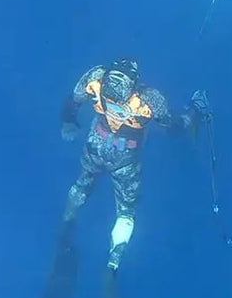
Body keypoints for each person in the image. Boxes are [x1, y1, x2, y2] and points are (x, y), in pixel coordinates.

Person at [57, 57, 211, 275]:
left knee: (82, 184)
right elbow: (174, 127)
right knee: (126, 210)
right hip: (125, 156)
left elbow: (72, 102)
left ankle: (68, 220)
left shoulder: (96, 78)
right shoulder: (149, 99)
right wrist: (194, 110)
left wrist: (68, 123)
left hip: (96, 144)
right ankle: (114, 262)